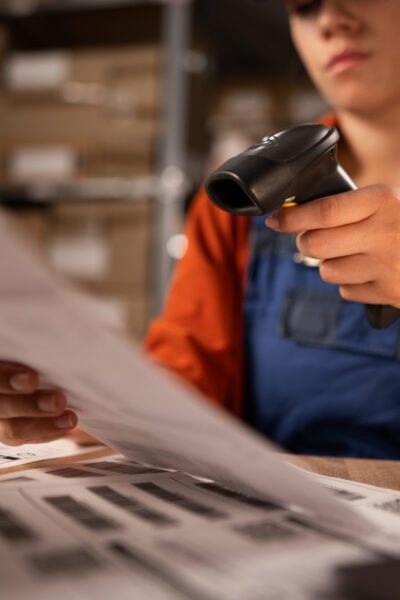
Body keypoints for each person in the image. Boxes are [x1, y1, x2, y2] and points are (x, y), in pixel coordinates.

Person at [2, 0, 400, 457]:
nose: (331, 21)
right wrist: (73, 399)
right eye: (304, 7)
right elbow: (186, 378)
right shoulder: (244, 199)